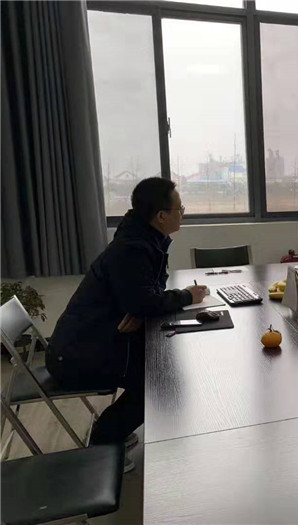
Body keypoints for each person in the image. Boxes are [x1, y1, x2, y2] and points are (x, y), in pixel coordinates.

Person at [46, 178, 207, 465]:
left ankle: (114, 430)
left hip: (97, 340)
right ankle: (103, 442)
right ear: (161, 216)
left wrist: (143, 308)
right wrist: (184, 296)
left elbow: (146, 297)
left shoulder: (145, 240)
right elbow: (143, 302)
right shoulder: (132, 249)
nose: (183, 213)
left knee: (162, 366)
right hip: (76, 356)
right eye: (180, 209)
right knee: (158, 379)